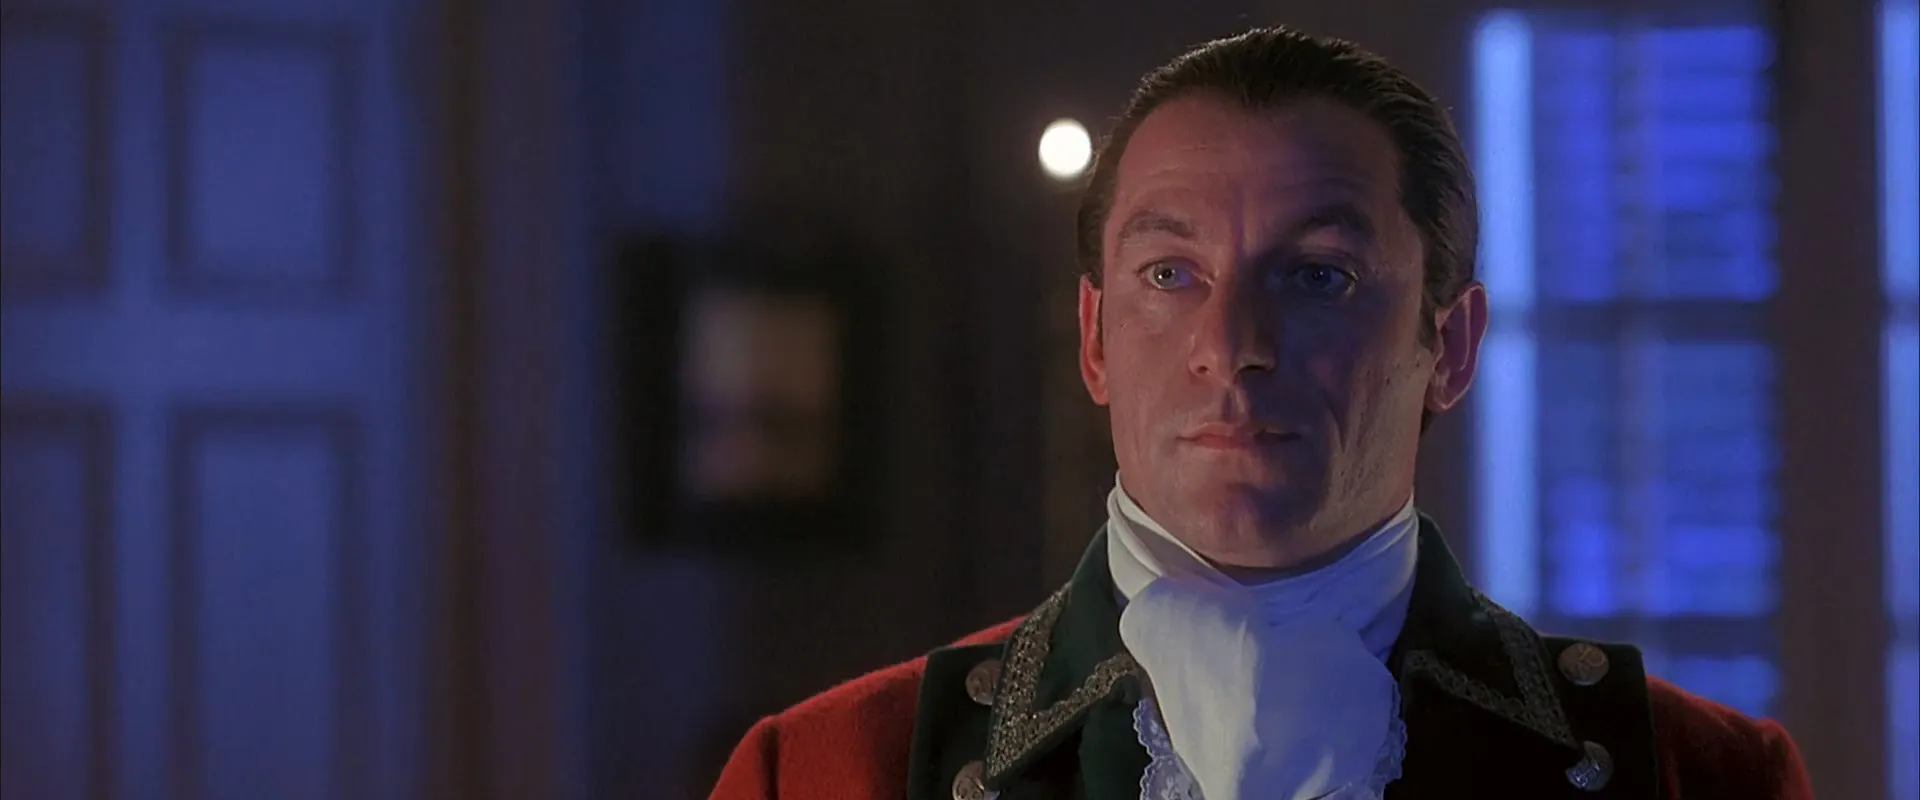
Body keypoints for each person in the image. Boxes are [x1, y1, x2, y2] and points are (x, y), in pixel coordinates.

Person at [710, 26, 1813, 800]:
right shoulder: (822, 773)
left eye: (1319, 275)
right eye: (1170, 274)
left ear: (1450, 345)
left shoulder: (1702, 776)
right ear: (1095, 338)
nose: (1232, 343)